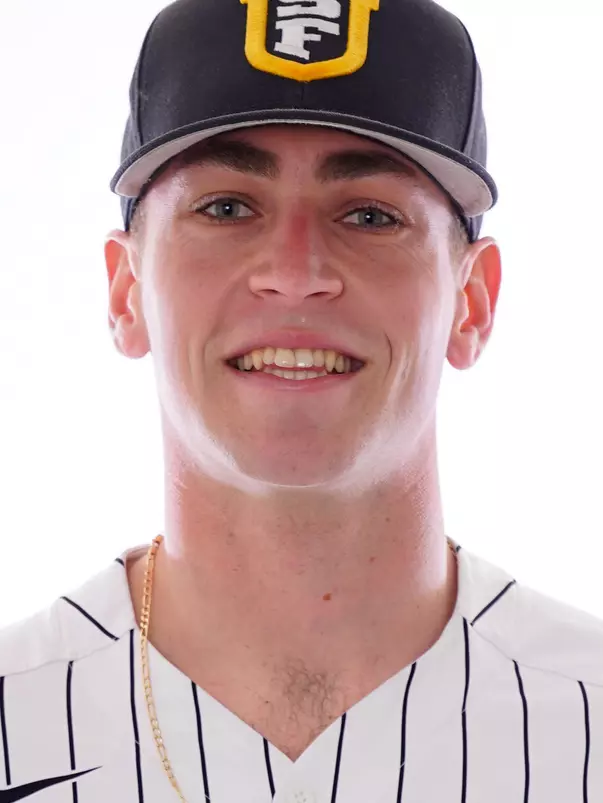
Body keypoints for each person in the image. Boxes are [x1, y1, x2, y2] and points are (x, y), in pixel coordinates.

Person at [1, 0, 602, 800]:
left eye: (368, 214)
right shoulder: (17, 717)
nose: (294, 269)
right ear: (127, 289)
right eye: (225, 207)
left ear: (473, 302)